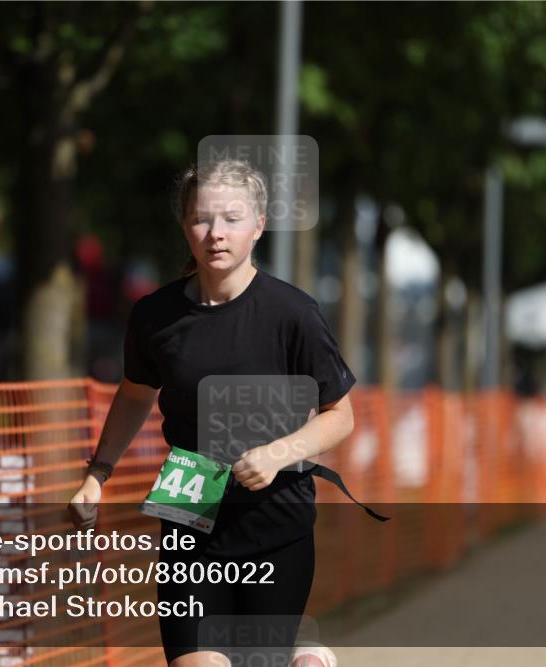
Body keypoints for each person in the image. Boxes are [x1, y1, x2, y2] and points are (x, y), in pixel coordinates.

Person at [68, 159, 356, 667]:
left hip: (274, 521)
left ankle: (299, 654)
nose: (215, 233)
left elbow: (340, 415)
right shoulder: (156, 316)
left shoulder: (294, 315)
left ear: (258, 226)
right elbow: (135, 394)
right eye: (202, 219)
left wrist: (276, 454)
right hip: (190, 506)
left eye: (231, 218)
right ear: (184, 225)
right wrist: (98, 474)